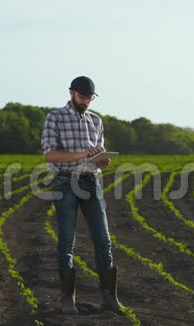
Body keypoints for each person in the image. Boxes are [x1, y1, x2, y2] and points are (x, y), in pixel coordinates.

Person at [41, 76, 123, 314]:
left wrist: (102, 160)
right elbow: (49, 155)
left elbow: (98, 158)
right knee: (67, 241)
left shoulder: (96, 121)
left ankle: (110, 298)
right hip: (65, 182)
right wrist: (81, 154)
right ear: (71, 93)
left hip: (91, 182)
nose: (86, 101)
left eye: (90, 97)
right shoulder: (55, 118)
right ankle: (68, 300)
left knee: (103, 241)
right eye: (82, 96)